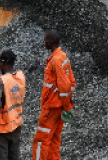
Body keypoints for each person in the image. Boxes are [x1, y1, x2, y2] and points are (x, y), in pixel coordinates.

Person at [33, 30, 76, 160]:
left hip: (51, 107)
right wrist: (66, 105)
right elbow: (72, 82)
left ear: (50, 43)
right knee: (54, 138)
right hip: (58, 107)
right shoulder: (63, 56)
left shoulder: (56, 60)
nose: (44, 43)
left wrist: (66, 105)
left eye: (45, 41)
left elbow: (64, 86)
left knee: (41, 140)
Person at [0, 50, 25, 160]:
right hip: (16, 123)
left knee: (1, 156)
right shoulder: (21, 76)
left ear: (2, 63)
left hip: (2, 126)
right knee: (14, 155)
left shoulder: (0, 81)